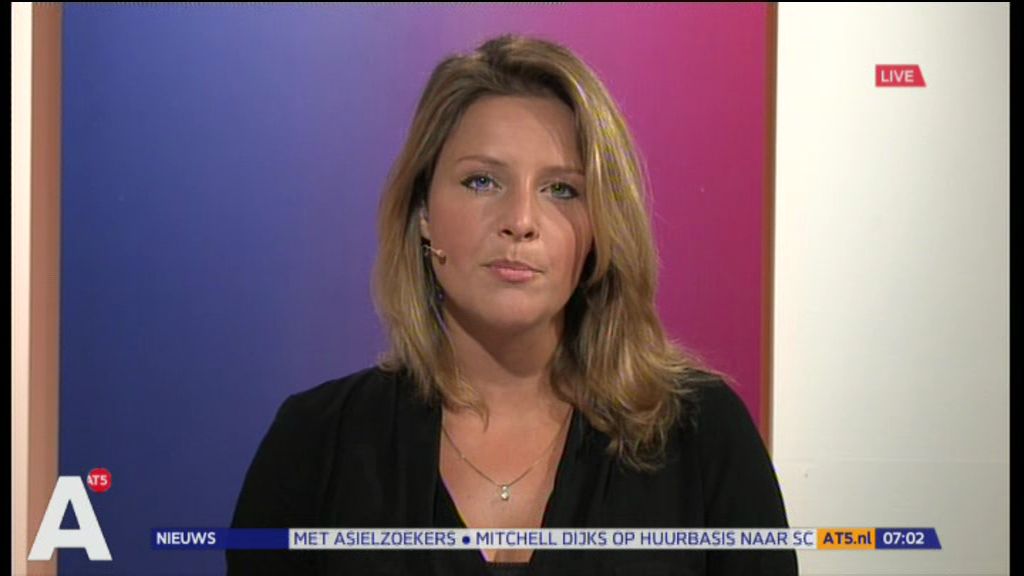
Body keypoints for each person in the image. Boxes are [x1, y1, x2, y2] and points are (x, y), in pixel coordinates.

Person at [228, 33, 797, 576]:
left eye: (562, 189)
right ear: (423, 212)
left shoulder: (701, 434)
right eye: (482, 182)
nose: (521, 221)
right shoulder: (315, 442)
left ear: (599, 229)